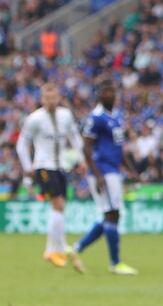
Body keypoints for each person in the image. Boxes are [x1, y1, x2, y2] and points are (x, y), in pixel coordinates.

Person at [15, 83, 85, 269]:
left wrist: (82, 159)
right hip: (43, 166)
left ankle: (54, 248)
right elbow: (22, 144)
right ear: (41, 99)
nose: (51, 101)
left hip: (61, 166)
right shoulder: (34, 119)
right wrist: (27, 167)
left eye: (54, 97)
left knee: (60, 209)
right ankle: (55, 250)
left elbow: (75, 137)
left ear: (59, 98)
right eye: (47, 98)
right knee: (58, 204)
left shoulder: (66, 115)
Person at [73, 78, 139, 275]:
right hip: (103, 170)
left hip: (114, 170)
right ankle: (115, 263)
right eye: (106, 92)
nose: (110, 95)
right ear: (99, 95)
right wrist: (96, 173)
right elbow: (86, 147)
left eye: (112, 91)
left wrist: (131, 170)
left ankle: (77, 248)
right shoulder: (96, 117)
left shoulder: (116, 116)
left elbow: (120, 148)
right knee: (112, 214)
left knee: (111, 215)